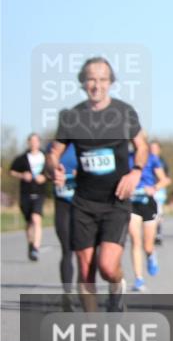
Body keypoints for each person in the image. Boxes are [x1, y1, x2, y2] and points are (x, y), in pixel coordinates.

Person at [47, 56, 147, 312]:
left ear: (111, 82)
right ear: (82, 82)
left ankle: (117, 286)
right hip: (83, 202)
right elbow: (54, 153)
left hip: (116, 200)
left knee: (107, 266)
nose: (97, 84)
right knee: (85, 267)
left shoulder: (124, 112)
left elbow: (142, 146)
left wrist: (136, 171)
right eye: (91, 79)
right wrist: (53, 168)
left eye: (103, 79)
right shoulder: (72, 117)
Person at [128, 149, 170, 291]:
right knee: (135, 240)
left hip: (148, 203)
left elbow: (165, 180)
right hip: (131, 203)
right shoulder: (126, 157)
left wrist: (154, 188)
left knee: (147, 246)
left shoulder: (152, 158)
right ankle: (139, 278)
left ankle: (151, 255)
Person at [49, 141, 78, 309]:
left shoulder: (86, 143)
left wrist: (81, 174)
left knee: (86, 252)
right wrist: (53, 172)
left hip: (84, 204)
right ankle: (67, 294)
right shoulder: (54, 147)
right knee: (66, 249)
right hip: (62, 203)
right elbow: (46, 170)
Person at [9, 133, 47, 261]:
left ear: (39, 142)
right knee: (29, 222)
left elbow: (52, 171)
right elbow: (11, 171)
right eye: (31, 141)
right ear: (28, 142)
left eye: (36, 141)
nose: (33, 143)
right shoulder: (22, 158)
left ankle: (36, 248)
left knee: (36, 218)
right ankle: (31, 244)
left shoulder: (45, 157)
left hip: (40, 193)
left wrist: (45, 177)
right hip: (25, 193)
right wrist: (22, 175)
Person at [149, 140, 168, 244]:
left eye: (155, 148)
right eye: (151, 148)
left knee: (158, 213)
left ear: (159, 150)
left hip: (159, 190)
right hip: (147, 190)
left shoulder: (162, 162)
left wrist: (157, 186)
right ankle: (152, 234)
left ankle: (158, 233)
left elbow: (167, 179)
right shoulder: (145, 160)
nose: (153, 150)